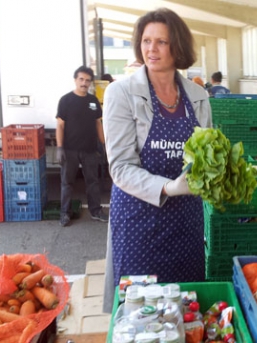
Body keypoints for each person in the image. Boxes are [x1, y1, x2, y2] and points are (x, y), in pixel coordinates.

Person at [103, 8, 212, 307]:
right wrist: (169, 187)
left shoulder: (197, 95)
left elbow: (208, 154)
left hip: (186, 221)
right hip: (139, 221)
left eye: (161, 42)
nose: (151, 49)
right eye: (146, 40)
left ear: (177, 46)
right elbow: (121, 168)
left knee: (184, 306)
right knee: (140, 310)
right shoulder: (121, 93)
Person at [55, 66, 107, 227]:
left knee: (93, 181)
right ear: (75, 80)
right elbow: (60, 126)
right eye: (81, 79)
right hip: (70, 149)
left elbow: (98, 123)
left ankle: (96, 211)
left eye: (87, 80)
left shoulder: (93, 101)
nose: (84, 83)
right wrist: (59, 148)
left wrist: (104, 145)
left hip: (90, 149)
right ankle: (65, 213)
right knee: (67, 183)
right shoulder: (65, 100)